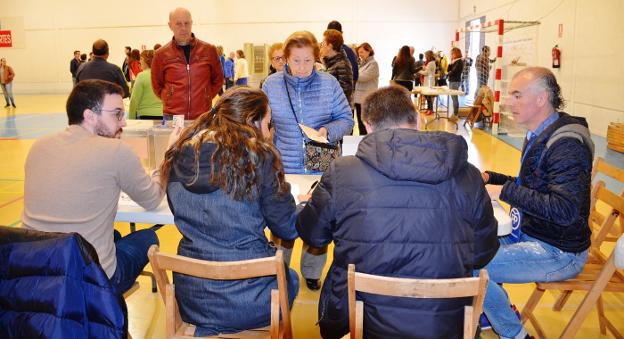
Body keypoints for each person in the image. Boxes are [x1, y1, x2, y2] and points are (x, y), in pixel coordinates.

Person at [297, 85, 499, 339]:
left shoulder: (343, 171)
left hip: (363, 321)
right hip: (447, 323)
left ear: (368, 126)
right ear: (416, 120)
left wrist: (309, 205)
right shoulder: (468, 173)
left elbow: (312, 236)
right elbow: (483, 253)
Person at [159, 87, 299, 336]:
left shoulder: (179, 153)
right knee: (292, 279)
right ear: (250, 121)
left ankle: (208, 330)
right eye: (268, 124)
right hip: (252, 300)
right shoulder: (260, 156)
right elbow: (286, 228)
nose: (269, 132)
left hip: (193, 299)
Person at [21, 79, 180, 294]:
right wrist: (168, 156)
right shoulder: (116, 151)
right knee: (148, 237)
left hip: (37, 273)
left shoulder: (39, 146)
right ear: (89, 115)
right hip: (92, 280)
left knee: (112, 235)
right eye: (117, 114)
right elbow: (152, 199)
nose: (123, 122)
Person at [480, 67, 594, 339]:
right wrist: (490, 177)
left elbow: (564, 209)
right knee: (466, 246)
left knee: (469, 266)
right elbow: (531, 184)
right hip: (531, 234)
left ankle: (514, 333)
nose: (509, 102)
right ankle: (493, 307)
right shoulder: (540, 133)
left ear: (541, 99)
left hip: (558, 251)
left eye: (517, 95)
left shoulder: (566, 145)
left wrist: (501, 190)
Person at [262, 31, 353, 291]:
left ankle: (312, 272)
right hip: (285, 167)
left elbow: (346, 119)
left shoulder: (329, 84)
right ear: (285, 58)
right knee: (282, 223)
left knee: (319, 222)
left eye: (308, 60)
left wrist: (327, 131)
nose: (302, 67)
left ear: (317, 57)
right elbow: (262, 122)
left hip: (320, 167)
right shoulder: (272, 85)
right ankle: (279, 268)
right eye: (296, 60)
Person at [151, 7, 224, 120]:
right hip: (173, 116)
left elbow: (218, 79)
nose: (183, 28)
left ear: (191, 23)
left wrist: (206, 96)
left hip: (203, 115)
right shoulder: (161, 54)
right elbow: (157, 85)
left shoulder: (209, 50)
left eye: (187, 23)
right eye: (178, 24)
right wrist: (169, 98)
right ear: (170, 25)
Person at [320, 29, 354, 106]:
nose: (322, 45)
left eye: (323, 43)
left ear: (330, 46)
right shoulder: (331, 63)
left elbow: (345, 92)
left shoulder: (342, 64)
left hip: (337, 111)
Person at [353, 42, 379, 135]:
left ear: (369, 51)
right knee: (360, 123)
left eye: (362, 52)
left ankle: (367, 143)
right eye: (359, 52)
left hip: (366, 98)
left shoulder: (373, 64)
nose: (360, 54)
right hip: (359, 98)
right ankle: (363, 143)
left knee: (365, 124)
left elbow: (362, 77)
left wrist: (352, 73)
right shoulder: (362, 64)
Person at [129, 50, 163, 120]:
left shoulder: (141, 76)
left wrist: (131, 119)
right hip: (162, 115)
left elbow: (134, 100)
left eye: (141, 59)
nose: (140, 61)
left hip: (145, 116)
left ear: (147, 61)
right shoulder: (162, 75)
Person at [326, 20, 358, 85]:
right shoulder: (348, 50)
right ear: (342, 33)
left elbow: (354, 75)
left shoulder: (347, 51)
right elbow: (355, 75)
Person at [447, 47, 465, 121]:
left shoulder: (459, 62)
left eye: (452, 53)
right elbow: (448, 70)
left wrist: (448, 74)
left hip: (455, 82)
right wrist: (450, 64)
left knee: (455, 99)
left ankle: (455, 114)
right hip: (452, 81)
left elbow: (453, 72)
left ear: (456, 54)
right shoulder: (455, 61)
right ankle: (454, 114)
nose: (451, 55)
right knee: (453, 98)